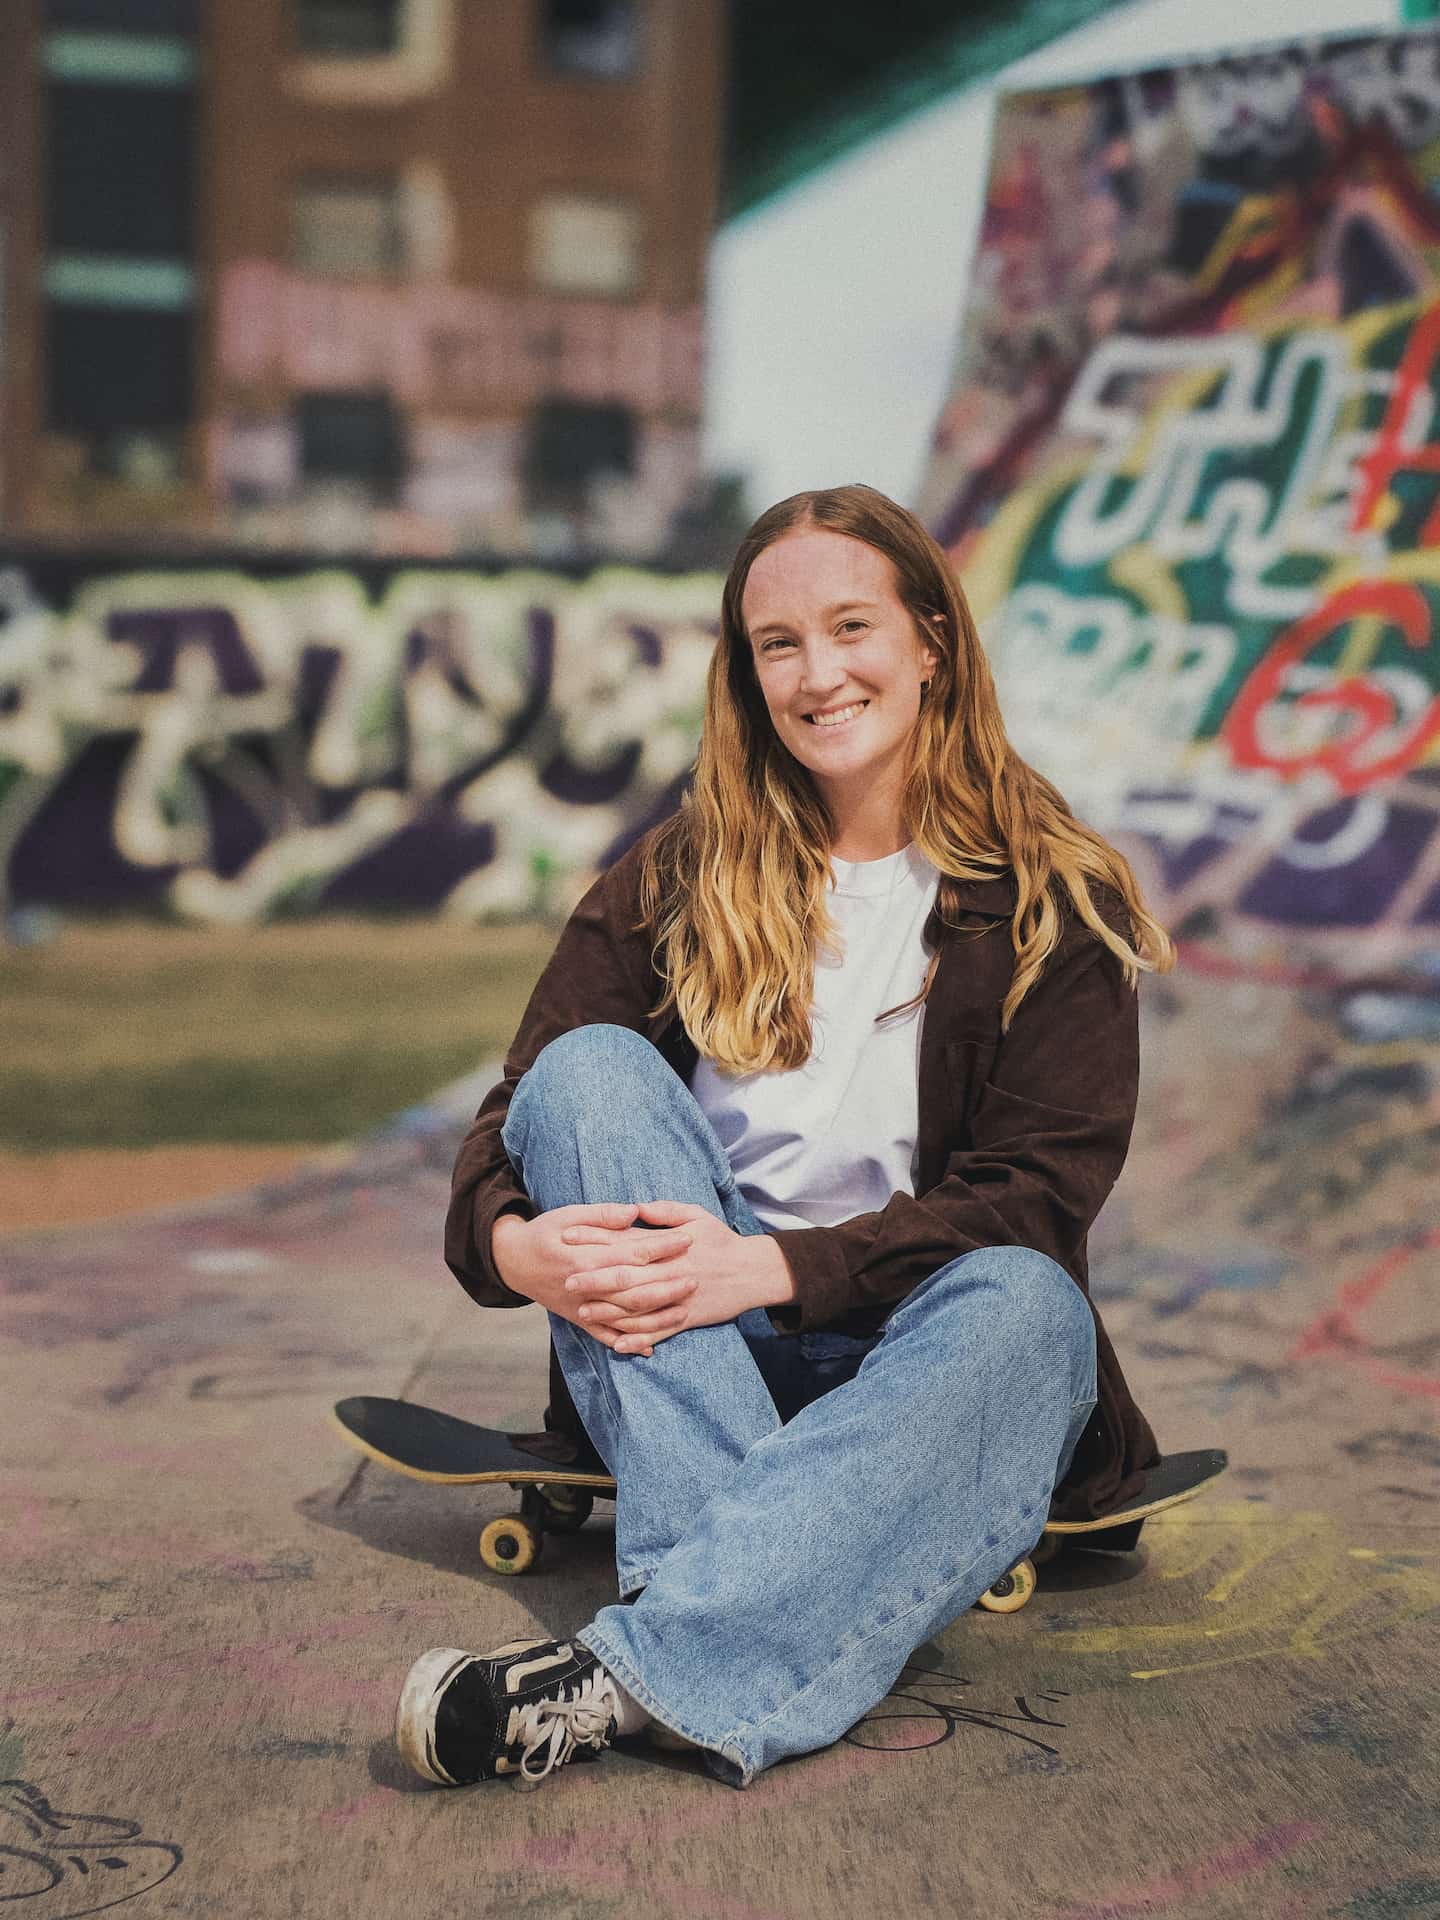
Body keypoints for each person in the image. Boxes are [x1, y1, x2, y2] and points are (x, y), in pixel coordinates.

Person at [396, 483, 1173, 1792]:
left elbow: (1037, 1199)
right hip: (689, 1353)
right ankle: (728, 1630)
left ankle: (646, 1654)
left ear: (931, 639)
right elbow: (516, 1114)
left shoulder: (1054, 901)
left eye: (852, 627)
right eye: (778, 644)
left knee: (1032, 1308)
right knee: (589, 1073)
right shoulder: (674, 877)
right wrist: (518, 1252)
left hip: (920, 1365)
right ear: (747, 673)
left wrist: (776, 1272)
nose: (818, 674)